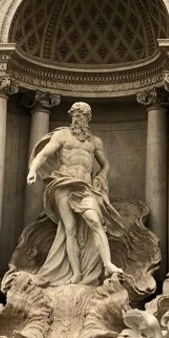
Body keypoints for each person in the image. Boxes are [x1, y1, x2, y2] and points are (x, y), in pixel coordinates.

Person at [26, 102, 124, 285]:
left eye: (81, 115)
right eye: (75, 115)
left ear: (88, 117)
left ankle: (108, 264)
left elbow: (106, 165)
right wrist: (33, 170)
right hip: (63, 183)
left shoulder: (95, 142)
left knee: (95, 221)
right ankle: (76, 273)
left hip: (85, 187)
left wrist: (100, 177)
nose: (77, 118)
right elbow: (44, 154)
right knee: (69, 228)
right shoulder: (62, 135)